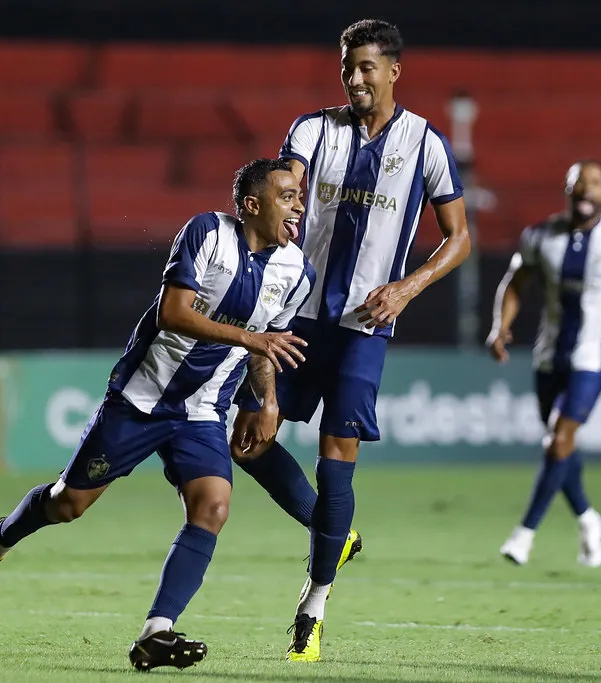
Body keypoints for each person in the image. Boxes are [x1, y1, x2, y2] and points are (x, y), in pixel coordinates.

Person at [0, 158, 316, 672]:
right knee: (68, 504)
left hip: (202, 409)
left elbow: (266, 348)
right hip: (142, 399)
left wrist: (268, 402)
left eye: (300, 195)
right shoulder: (207, 234)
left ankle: (157, 632)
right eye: (286, 195)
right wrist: (248, 337)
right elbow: (174, 313)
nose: (298, 203)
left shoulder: (297, 271)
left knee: (212, 507)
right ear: (252, 205)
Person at [228, 18, 471, 662]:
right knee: (248, 442)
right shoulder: (312, 131)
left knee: (337, 460)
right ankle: (333, 532)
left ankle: (313, 604)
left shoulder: (426, 144)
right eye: (347, 66)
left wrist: (406, 289)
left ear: (395, 70)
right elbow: (290, 186)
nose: (355, 78)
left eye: (367, 67)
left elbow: (460, 237)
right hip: (299, 316)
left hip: (366, 326)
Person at [488, 159, 601, 568]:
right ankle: (589, 518)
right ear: (567, 190)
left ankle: (524, 535)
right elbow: (515, 282)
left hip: (595, 356)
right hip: (548, 355)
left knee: (558, 438)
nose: (587, 190)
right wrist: (500, 327)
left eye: (595, 184)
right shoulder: (540, 237)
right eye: (579, 183)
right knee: (560, 446)